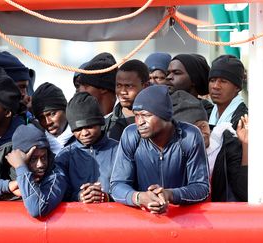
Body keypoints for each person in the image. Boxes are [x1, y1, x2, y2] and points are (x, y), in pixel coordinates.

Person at [110, 85, 209, 213]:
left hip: (182, 220)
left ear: (165, 116)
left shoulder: (189, 136)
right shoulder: (131, 135)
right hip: (142, 217)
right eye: (136, 115)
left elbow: (201, 188)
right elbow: (117, 185)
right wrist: (139, 197)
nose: (140, 122)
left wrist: (169, 195)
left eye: (146, 115)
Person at [172, 90, 248, 201]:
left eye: (203, 125)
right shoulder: (170, 152)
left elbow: (244, 192)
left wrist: (246, 145)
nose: (202, 132)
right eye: (195, 128)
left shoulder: (226, 145)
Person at [0, 124, 67, 218]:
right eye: (33, 159)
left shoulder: (55, 175)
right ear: (19, 157)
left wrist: (21, 167)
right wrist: (9, 186)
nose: (41, 164)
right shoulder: (3, 165)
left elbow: (37, 209)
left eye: (44, 157)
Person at [56, 92, 118, 203]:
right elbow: (57, 193)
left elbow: (129, 186)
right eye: (78, 129)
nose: (84, 133)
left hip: (114, 218)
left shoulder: (119, 151)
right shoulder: (64, 157)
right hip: (77, 219)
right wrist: (79, 197)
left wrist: (106, 197)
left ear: (100, 122)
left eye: (89, 126)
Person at [104, 59, 150, 141]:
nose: (123, 92)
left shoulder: (157, 123)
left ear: (145, 86)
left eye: (129, 86)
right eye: (118, 85)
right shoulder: (106, 125)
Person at [32, 82, 75, 153]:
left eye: (52, 114)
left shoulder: (86, 137)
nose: (48, 122)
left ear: (65, 109)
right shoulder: (36, 145)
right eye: (41, 117)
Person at [208, 55, 248, 130]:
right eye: (212, 80)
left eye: (223, 81)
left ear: (237, 87)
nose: (215, 86)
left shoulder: (243, 120)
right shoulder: (208, 114)